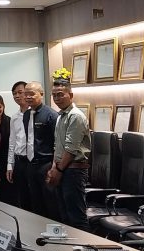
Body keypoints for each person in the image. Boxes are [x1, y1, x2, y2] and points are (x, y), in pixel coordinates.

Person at [46, 80, 91, 230]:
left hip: (74, 171)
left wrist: (58, 170)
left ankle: (84, 244)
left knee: (76, 217)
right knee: (64, 216)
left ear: (70, 95)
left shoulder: (75, 116)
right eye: (54, 95)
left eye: (60, 94)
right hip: (62, 168)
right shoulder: (61, 116)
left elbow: (71, 149)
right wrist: (54, 167)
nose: (57, 98)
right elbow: (57, 146)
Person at [17, 81, 59, 219]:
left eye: (31, 94)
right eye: (26, 94)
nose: (28, 97)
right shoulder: (26, 115)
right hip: (30, 164)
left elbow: (57, 143)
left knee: (50, 203)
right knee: (35, 202)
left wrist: (54, 167)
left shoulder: (51, 115)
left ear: (41, 94)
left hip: (46, 164)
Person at [6, 81, 32, 209]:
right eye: (14, 93)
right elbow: (12, 142)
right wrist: (10, 165)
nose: (17, 96)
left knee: (35, 197)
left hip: (33, 162)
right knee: (21, 198)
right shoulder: (14, 117)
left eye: (20, 92)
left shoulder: (35, 114)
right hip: (19, 161)